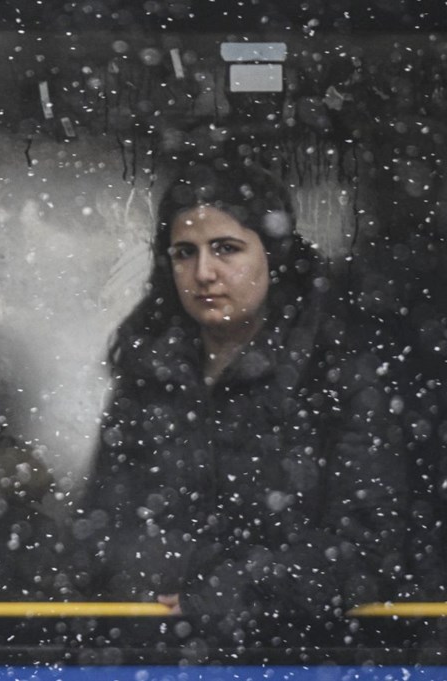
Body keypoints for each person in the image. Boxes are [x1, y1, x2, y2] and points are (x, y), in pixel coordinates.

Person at [81, 160, 404, 630]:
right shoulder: (149, 372)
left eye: (226, 249)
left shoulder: (333, 370)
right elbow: (101, 529)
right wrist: (146, 586)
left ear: (272, 254)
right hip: (152, 647)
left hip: (303, 652)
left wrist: (233, 590)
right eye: (184, 253)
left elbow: (370, 548)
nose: (204, 272)